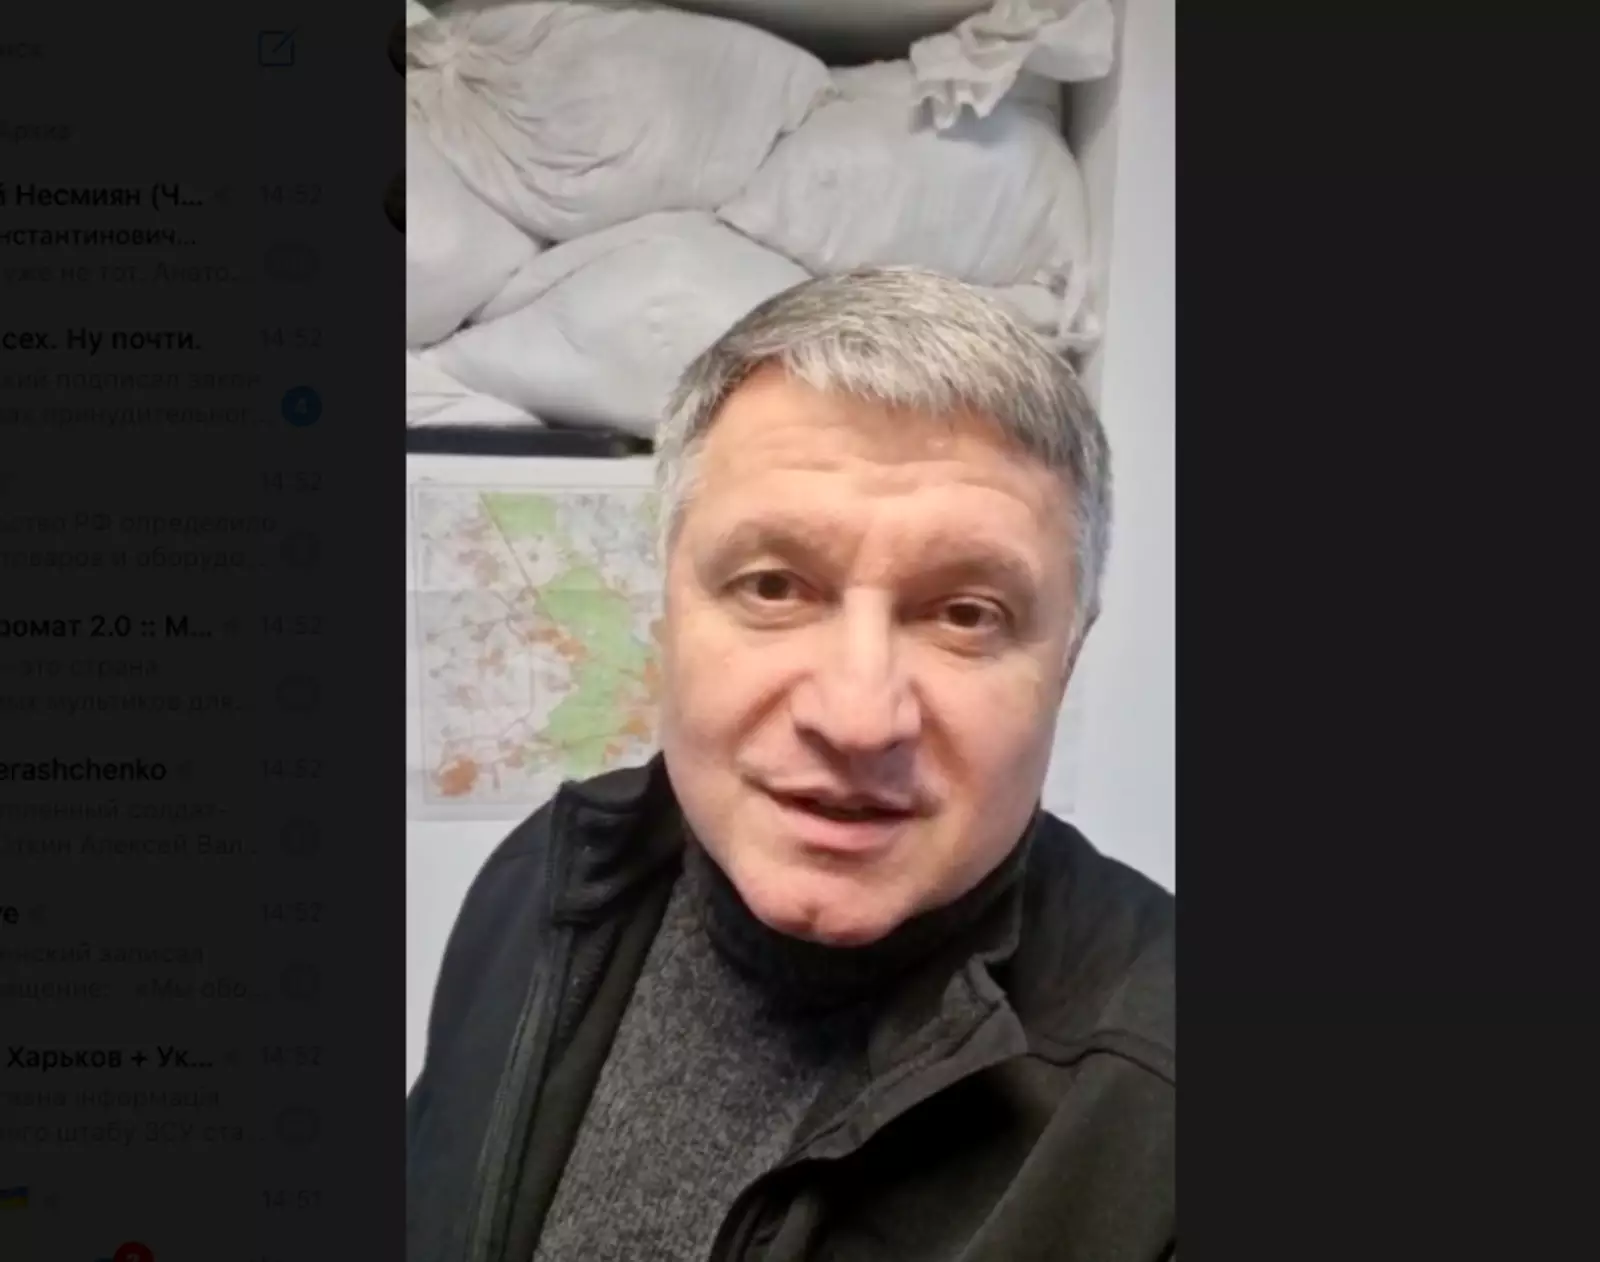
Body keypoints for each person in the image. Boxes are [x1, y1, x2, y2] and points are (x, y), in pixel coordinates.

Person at [406, 267, 1175, 1262]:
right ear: (667, 616)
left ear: (1065, 661)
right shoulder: (547, 876)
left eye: (966, 613)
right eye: (773, 586)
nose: (857, 717)